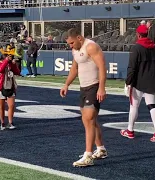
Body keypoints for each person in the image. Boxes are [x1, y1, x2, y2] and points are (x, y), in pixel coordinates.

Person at [60, 28, 108, 167]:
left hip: (94, 86)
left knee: (88, 119)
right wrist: (66, 84)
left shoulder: (91, 46)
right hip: (83, 87)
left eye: (72, 43)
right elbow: (74, 68)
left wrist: (101, 87)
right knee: (90, 120)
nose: (70, 46)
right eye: (69, 44)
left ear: (79, 38)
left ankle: (88, 155)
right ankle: (101, 149)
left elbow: (102, 67)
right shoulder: (75, 50)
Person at [121, 25, 155, 142]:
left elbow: (132, 67)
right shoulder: (154, 47)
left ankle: (130, 130)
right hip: (151, 79)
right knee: (152, 106)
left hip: (138, 80)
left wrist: (128, 82)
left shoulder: (136, 48)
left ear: (138, 35)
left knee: (134, 106)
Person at [0, 53, 20, 130]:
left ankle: (10, 122)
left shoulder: (11, 65)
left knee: (11, 105)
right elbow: (0, 69)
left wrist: (13, 64)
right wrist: (6, 61)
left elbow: (17, 72)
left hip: (10, 87)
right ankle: (2, 123)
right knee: (1, 106)